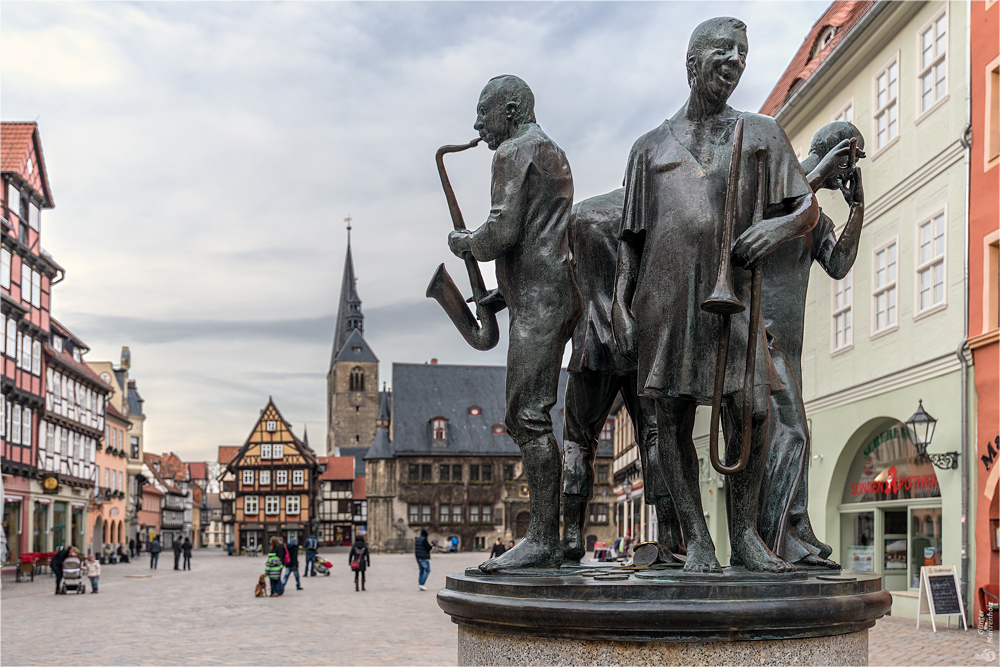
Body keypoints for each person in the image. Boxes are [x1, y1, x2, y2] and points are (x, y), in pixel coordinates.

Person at [613, 17, 818, 573]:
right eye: (722, 50)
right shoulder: (648, 147)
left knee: (751, 407)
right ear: (692, 61)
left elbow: (807, 210)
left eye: (742, 53)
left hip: (734, 295)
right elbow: (630, 240)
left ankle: (746, 534)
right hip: (666, 297)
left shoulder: (761, 133)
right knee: (670, 417)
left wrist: (776, 230)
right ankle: (698, 538)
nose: (734, 60)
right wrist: (619, 303)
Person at [448, 74, 581, 571]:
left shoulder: (514, 152)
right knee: (533, 414)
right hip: (550, 293)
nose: (477, 124)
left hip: (541, 303)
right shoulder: (551, 150)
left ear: (508, 108)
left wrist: (465, 243)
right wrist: (502, 294)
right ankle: (549, 533)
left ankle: (543, 537)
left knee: (526, 416)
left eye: (483, 112)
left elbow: (502, 231)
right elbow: (540, 238)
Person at [756, 121, 865, 569]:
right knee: (792, 433)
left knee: (800, 433)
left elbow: (837, 264)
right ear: (830, 154)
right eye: (848, 159)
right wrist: (820, 172)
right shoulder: (782, 190)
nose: (850, 170)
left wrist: (857, 208)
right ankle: (770, 540)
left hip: (790, 348)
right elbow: (760, 225)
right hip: (759, 336)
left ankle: (795, 529)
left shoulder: (817, 214)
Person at [560, 188, 681, 563]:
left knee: (578, 441)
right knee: (657, 435)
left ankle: (568, 535)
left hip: (590, 342)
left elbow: (559, 277)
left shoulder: (580, 215)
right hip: (642, 343)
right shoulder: (654, 212)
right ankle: (670, 534)